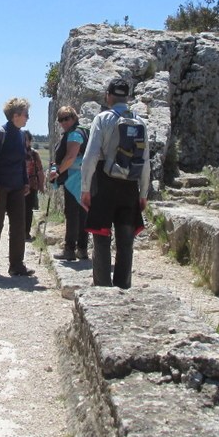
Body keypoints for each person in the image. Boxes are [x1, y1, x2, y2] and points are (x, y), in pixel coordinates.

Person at [80, 78, 151, 289]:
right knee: (125, 239)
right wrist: (143, 193)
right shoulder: (140, 122)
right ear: (127, 97)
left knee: (101, 237)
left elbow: (91, 156)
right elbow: (145, 161)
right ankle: (123, 286)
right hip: (130, 185)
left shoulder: (103, 119)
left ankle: (102, 286)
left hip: (104, 182)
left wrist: (85, 188)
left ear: (108, 96)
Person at [0, 97, 35, 277]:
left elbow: (21, 161)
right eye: (25, 114)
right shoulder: (0, 133)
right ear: (15, 115)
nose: (28, 117)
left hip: (17, 187)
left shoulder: (21, 135)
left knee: (19, 226)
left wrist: (26, 181)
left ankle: (16, 265)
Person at [48, 106, 89, 261]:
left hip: (74, 180)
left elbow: (71, 157)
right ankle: (82, 249)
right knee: (82, 214)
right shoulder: (79, 132)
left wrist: (58, 171)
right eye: (61, 119)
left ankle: (70, 249)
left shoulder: (74, 134)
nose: (64, 122)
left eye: (67, 118)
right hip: (83, 178)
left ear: (74, 117)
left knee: (72, 214)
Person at [23, 130, 45, 241]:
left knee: (28, 209)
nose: (24, 141)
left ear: (30, 141)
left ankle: (26, 232)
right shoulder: (15, 152)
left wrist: (41, 185)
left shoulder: (34, 154)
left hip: (31, 185)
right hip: (17, 185)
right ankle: (17, 232)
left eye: (26, 139)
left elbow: (40, 170)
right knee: (17, 210)